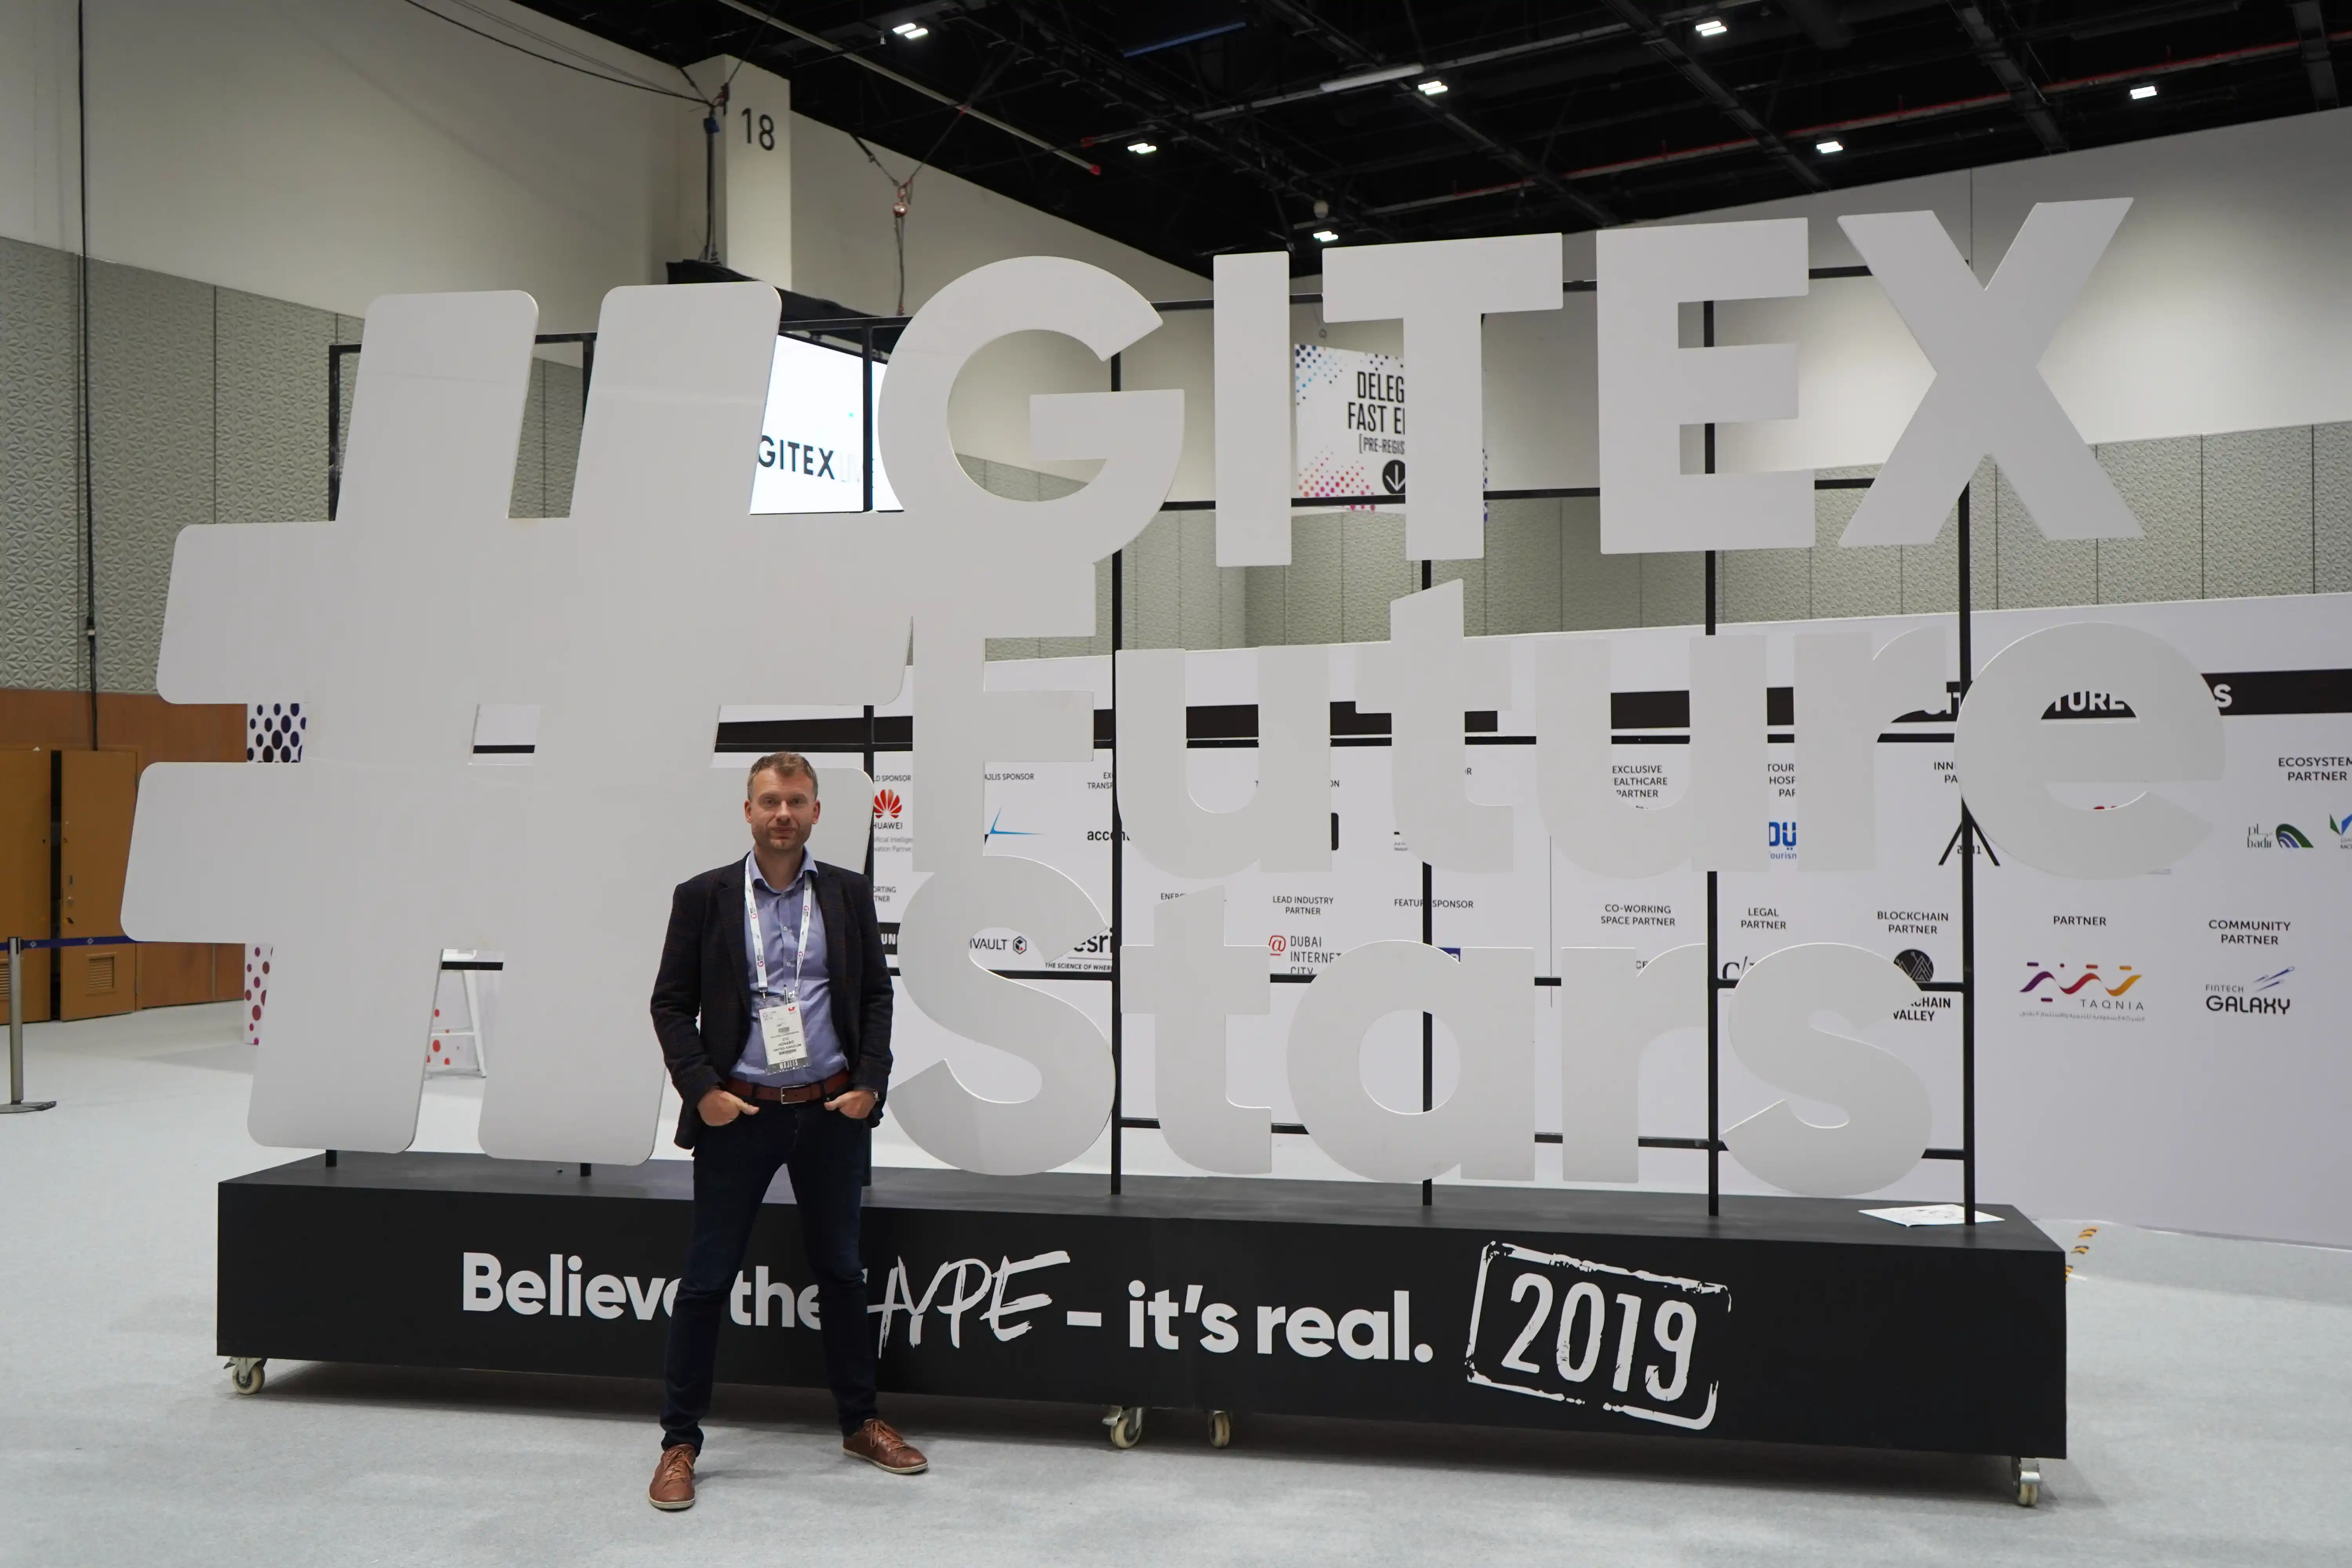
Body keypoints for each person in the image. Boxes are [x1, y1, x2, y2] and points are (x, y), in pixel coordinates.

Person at [646, 751, 926, 1511]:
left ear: (816, 811)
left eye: (796, 800)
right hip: (739, 1113)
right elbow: (670, 1004)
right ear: (748, 809)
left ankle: (860, 1420)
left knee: (841, 1272)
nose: (783, 813)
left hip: (832, 1111)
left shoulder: (846, 892)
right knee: (707, 1281)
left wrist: (871, 1080)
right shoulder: (703, 896)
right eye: (770, 800)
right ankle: (679, 1442)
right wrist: (701, 1089)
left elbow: (874, 993)